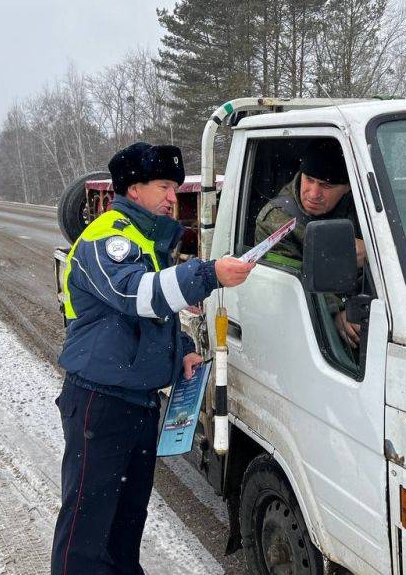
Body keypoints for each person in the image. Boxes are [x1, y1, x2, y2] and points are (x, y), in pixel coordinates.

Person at [51, 142, 254, 575]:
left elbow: (153, 319)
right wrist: (208, 273)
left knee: (126, 523)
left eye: (174, 189)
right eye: (163, 186)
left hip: (137, 400)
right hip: (100, 402)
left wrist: (179, 352)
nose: (171, 198)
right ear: (134, 189)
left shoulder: (146, 238)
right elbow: (135, 295)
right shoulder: (108, 238)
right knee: (88, 528)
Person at [254, 139, 366, 347]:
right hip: (301, 331)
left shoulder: (365, 210)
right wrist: (335, 311)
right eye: (309, 179)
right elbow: (290, 282)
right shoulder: (277, 221)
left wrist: (370, 254)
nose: (314, 193)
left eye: (327, 185)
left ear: (347, 188)